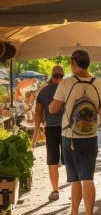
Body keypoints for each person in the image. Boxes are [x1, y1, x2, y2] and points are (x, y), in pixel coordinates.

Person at [49, 50, 101, 215]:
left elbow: (53, 109)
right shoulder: (99, 83)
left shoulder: (66, 82)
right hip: (90, 136)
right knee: (88, 177)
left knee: (75, 178)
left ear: (74, 62)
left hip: (70, 136)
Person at [32, 66, 64, 201]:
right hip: (66, 129)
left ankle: (55, 191)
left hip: (50, 129)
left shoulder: (43, 92)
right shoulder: (66, 89)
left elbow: (38, 114)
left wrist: (34, 136)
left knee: (52, 161)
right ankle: (76, 188)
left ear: (52, 75)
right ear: (62, 76)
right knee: (71, 159)